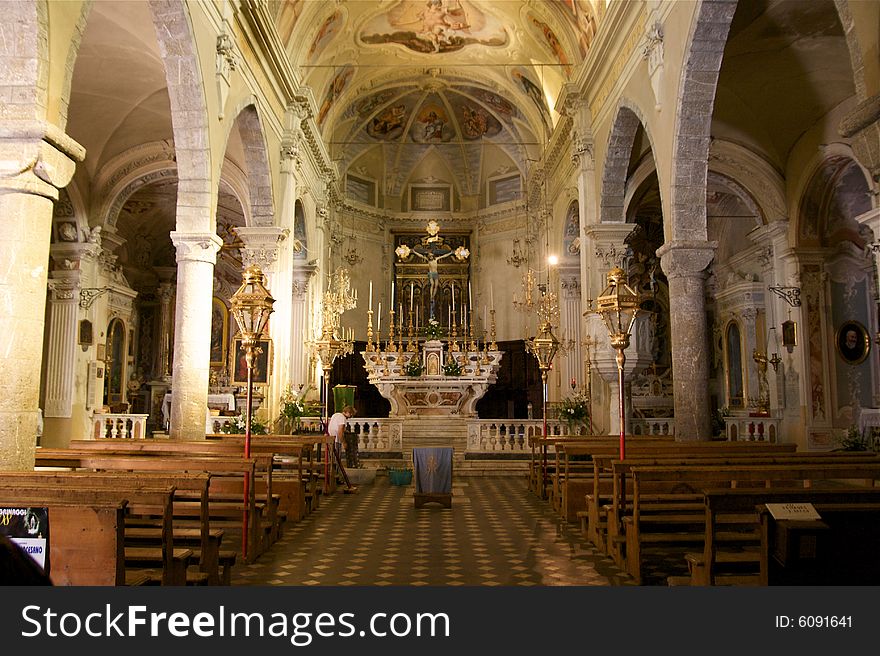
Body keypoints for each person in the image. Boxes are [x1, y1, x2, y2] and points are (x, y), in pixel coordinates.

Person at [327, 405, 356, 480]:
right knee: (337, 460)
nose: (350, 417)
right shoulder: (343, 418)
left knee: (332, 459)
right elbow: (340, 432)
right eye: (351, 414)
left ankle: (332, 476)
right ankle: (336, 478)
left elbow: (333, 426)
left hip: (330, 439)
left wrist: (344, 430)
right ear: (348, 412)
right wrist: (344, 443)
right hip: (336, 440)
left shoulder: (335, 415)